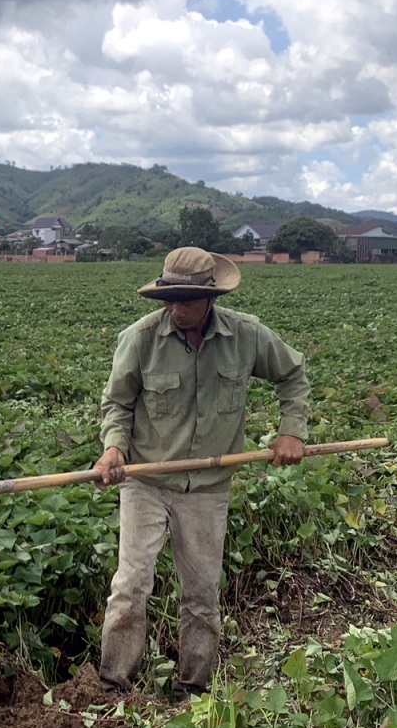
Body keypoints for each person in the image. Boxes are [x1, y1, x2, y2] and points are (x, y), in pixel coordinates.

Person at [93, 246, 310, 700]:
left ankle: (192, 691)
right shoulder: (141, 338)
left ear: (211, 298)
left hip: (208, 488)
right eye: (169, 300)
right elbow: (117, 402)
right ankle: (112, 688)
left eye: (186, 301)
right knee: (130, 586)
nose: (176, 310)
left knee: (202, 595)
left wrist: (291, 431)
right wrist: (113, 448)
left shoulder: (246, 335)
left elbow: (292, 374)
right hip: (146, 481)